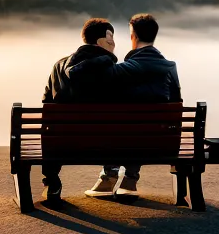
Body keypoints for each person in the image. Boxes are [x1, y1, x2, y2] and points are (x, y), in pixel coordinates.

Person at [69, 13, 181, 199]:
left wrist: (107, 58)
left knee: (117, 123)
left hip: (122, 141)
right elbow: (177, 100)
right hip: (161, 144)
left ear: (133, 36)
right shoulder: (170, 67)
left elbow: (77, 73)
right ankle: (130, 179)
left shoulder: (122, 69)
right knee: (138, 128)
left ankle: (108, 178)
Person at [39, 17, 118, 202]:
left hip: (63, 143)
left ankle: (52, 182)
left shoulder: (58, 66)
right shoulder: (111, 68)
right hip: (104, 145)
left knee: (51, 129)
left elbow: (46, 102)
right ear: (101, 41)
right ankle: (110, 174)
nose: (113, 43)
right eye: (111, 37)